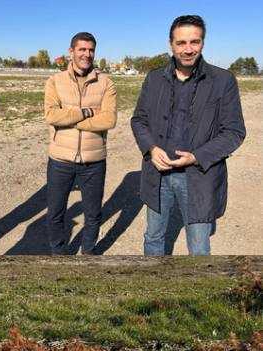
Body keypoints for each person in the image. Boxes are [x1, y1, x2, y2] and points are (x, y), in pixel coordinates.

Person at [130, 15, 246, 255]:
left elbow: (234, 132)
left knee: (199, 247)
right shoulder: (154, 79)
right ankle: (152, 286)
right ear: (170, 44)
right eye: (181, 43)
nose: (188, 49)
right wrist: (151, 148)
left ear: (203, 43)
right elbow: (139, 120)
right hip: (158, 173)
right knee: (153, 237)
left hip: (198, 175)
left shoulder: (223, 80)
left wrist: (196, 156)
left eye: (195, 42)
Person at [43, 32, 117, 255]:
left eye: (91, 50)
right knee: (55, 212)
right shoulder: (55, 81)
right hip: (60, 160)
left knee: (93, 214)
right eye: (82, 49)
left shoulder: (106, 83)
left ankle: (88, 254)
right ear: (71, 51)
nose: (87, 54)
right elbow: (51, 116)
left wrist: (72, 121)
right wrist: (86, 113)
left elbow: (109, 119)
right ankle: (59, 254)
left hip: (94, 161)